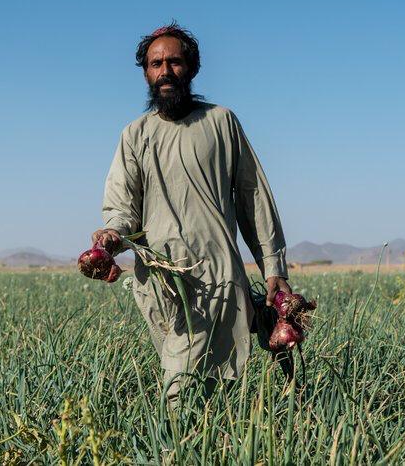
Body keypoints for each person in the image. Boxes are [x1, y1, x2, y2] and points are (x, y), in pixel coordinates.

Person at [91, 23, 293, 405]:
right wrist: (111, 236)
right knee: (202, 378)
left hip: (214, 273)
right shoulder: (135, 134)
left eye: (174, 61)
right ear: (146, 72)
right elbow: (122, 208)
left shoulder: (221, 122)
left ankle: (176, 448)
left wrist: (274, 268)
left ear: (192, 67)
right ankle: (219, 437)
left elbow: (253, 200)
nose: (165, 71)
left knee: (178, 387)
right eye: (155, 64)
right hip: (158, 282)